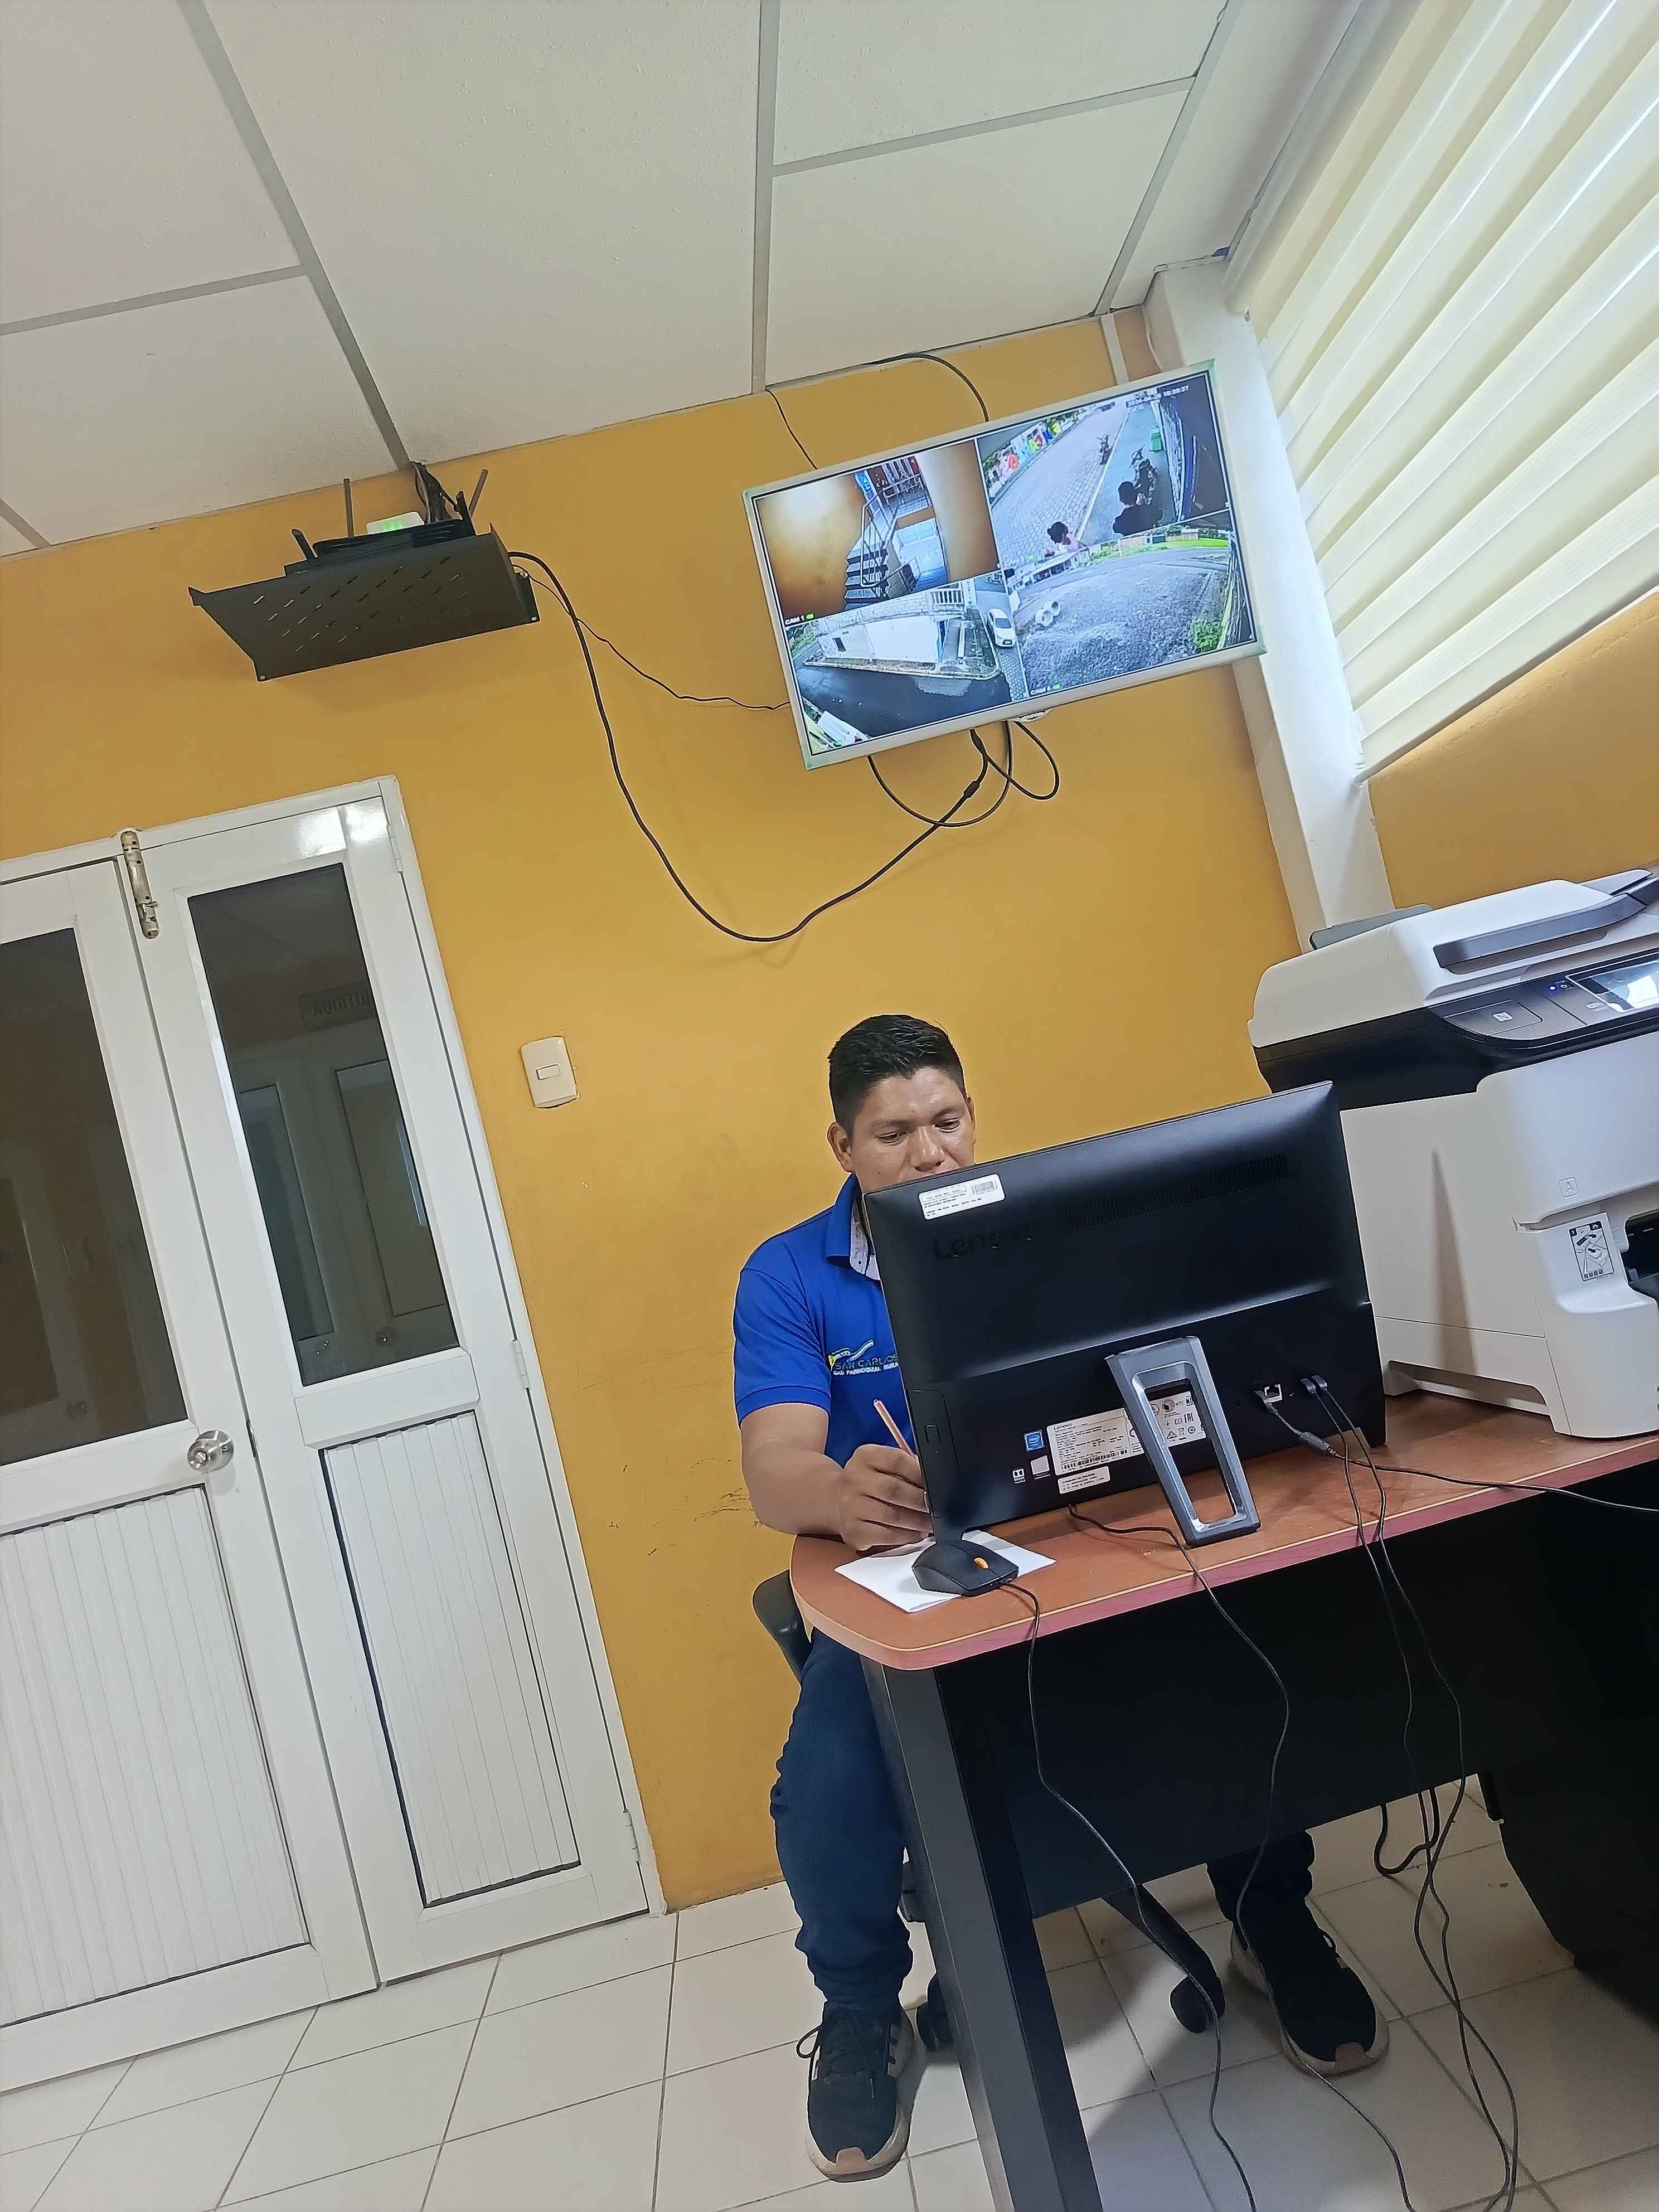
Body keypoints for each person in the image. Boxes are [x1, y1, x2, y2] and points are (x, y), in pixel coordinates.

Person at [734, 1017, 1386, 2182]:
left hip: (1071, 1552)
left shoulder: (1038, 1227)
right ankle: (861, 2010)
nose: (929, 1152)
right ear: (843, 1145)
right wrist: (837, 1491)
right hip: (906, 1583)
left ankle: (1270, 1916)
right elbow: (772, 1467)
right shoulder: (788, 1275)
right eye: (893, 1133)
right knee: (824, 1785)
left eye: (947, 1121)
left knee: (1232, 1666)